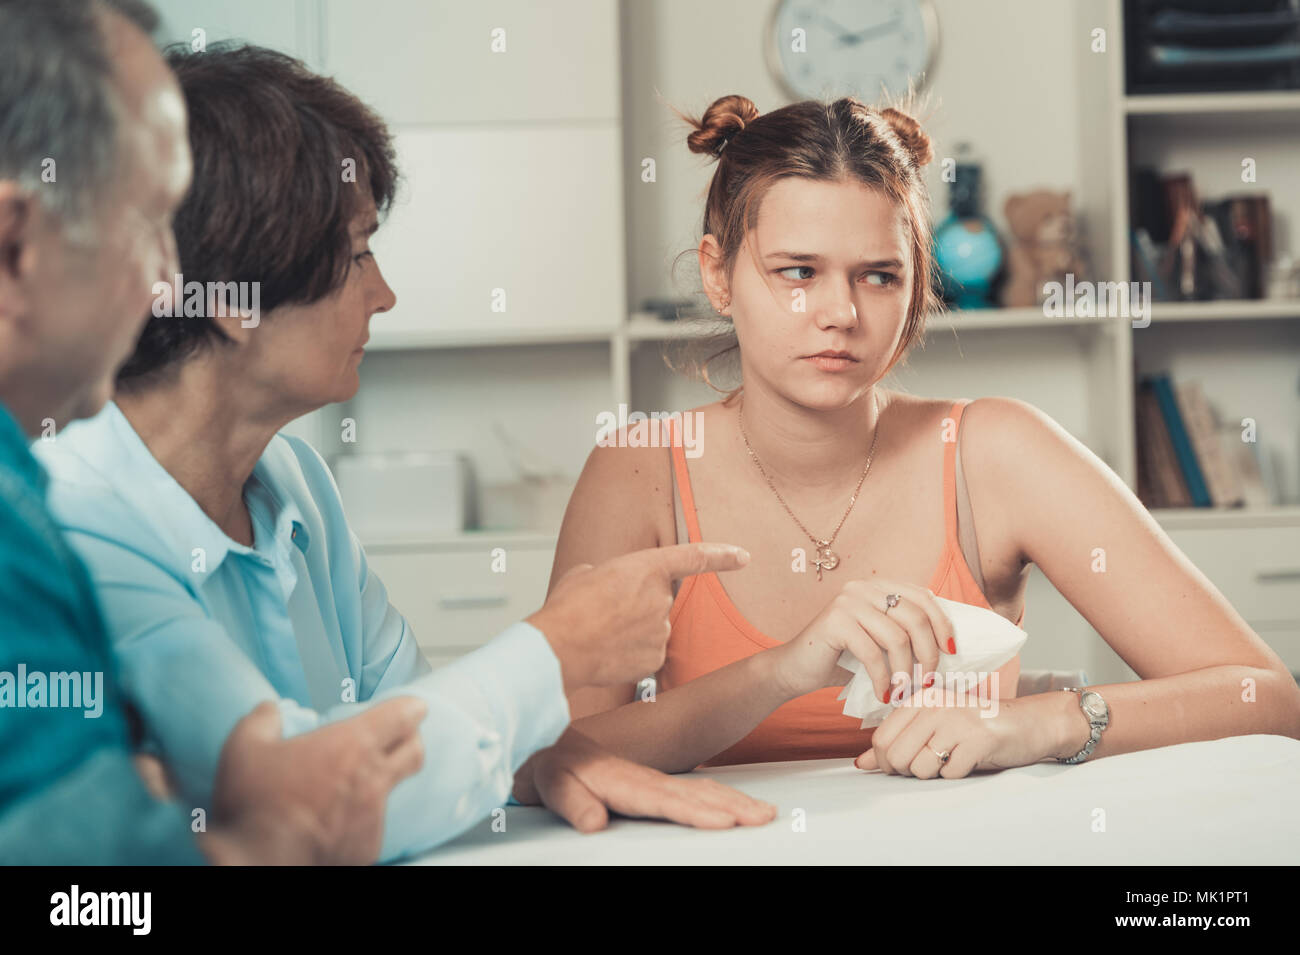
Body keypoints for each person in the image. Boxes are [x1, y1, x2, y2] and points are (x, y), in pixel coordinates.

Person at [35, 43, 775, 863]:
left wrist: (542, 757)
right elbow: (293, 793)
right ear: (236, 297)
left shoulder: (294, 484)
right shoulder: (74, 518)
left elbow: (409, 714)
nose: (383, 293)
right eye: (358, 253)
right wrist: (557, 647)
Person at [543, 93, 1300, 778]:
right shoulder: (638, 468)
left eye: (879, 275)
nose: (841, 311)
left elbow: (1267, 698)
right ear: (718, 274)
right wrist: (781, 670)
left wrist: (1042, 721)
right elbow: (544, 764)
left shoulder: (995, 450)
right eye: (798, 271)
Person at [0, 0, 428, 865]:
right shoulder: (49, 515)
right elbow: (94, 874)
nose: (172, 278)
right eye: (146, 221)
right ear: (15, 246)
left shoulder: (26, 486)